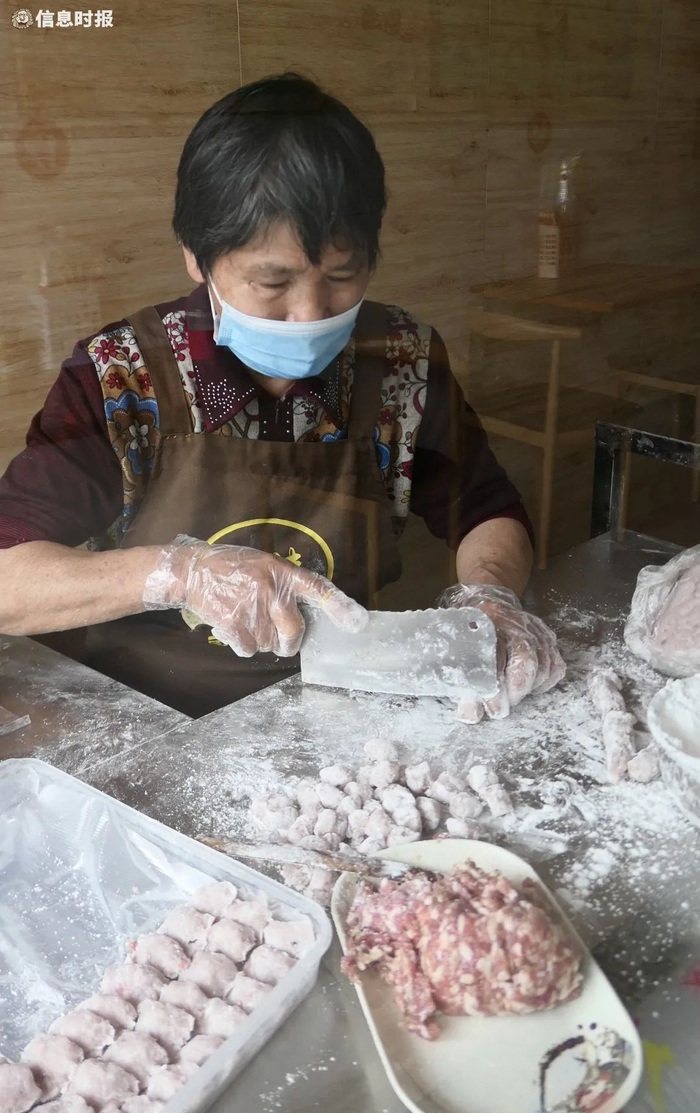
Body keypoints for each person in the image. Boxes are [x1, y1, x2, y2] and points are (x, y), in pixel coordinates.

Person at [0, 74, 564, 719]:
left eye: (343, 276)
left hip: (341, 704)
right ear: (197, 257)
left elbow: (485, 510)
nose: (310, 313)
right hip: (154, 716)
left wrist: (492, 601)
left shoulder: (403, 362)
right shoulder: (120, 377)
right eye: (272, 283)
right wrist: (180, 574)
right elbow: (8, 577)